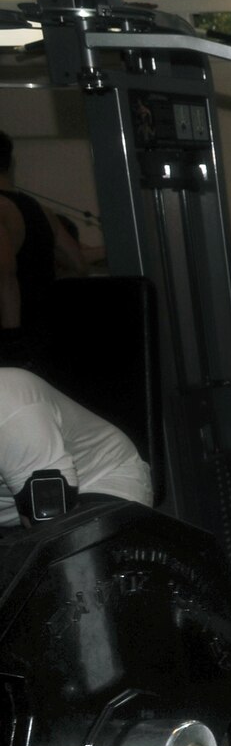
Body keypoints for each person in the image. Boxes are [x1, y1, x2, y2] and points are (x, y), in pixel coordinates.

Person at [0, 366, 151, 527]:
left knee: (73, 546)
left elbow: (51, 523)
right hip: (13, 510)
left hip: (99, 478)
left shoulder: (13, 411)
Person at [0, 128, 88, 331]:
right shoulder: (43, 211)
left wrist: (12, 341)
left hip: (17, 337)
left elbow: (5, 279)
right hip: (47, 327)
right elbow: (79, 264)